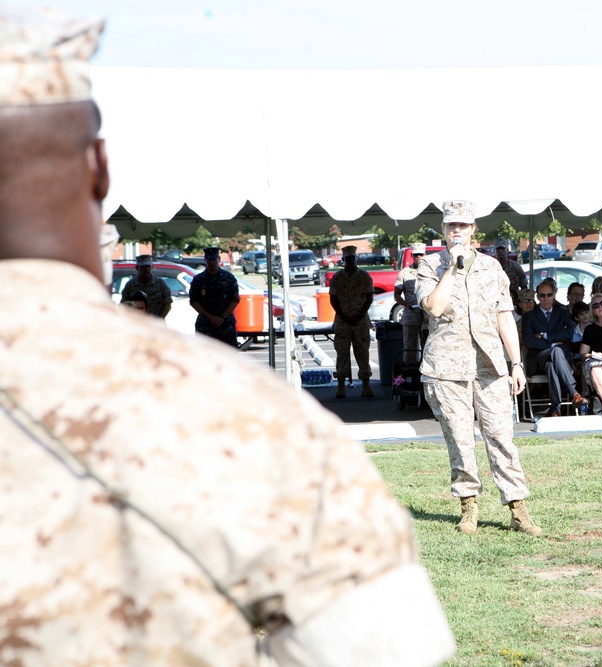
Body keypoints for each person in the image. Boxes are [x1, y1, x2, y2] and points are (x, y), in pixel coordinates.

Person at [0, 10, 455, 665]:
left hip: (284, 328)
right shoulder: (249, 420)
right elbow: (383, 651)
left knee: (355, 361)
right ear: (100, 167)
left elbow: (224, 298)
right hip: (215, 344)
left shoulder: (230, 347)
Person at [416, 199, 542, 537]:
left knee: (501, 438)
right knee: (460, 440)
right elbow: (433, 306)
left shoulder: (492, 267)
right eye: (451, 225)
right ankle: (468, 505)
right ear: (443, 230)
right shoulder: (430, 265)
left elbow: (505, 316)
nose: (457, 230)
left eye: (463, 225)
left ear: (473, 229)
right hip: (447, 368)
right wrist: (451, 270)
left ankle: (518, 508)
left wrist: (516, 363)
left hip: (490, 367)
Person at [522, 281, 586, 417]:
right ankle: (574, 392)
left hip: (558, 360)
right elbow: (528, 340)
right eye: (542, 295)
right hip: (538, 359)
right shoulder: (529, 316)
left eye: (549, 295)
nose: (546, 298)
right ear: (538, 297)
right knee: (556, 350)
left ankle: (555, 409)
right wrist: (553, 343)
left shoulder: (562, 313)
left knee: (551, 366)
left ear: (554, 295)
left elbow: (568, 334)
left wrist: (544, 336)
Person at [329, 245, 375, 398]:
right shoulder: (337, 278)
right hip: (343, 321)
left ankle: (366, 385)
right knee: (342, 353)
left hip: (360, 320)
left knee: (362, 352)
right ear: (343, 260)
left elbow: (369, 297)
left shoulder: (364, 276)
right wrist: (343, 315)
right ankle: (341, 386)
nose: (350, 261)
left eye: (353, 259)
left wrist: (360, 315)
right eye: (347, 259)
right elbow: (333, 299)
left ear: (356, 259)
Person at [189, 246, 240, 347]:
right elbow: (194, 301)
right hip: (206, 324)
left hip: (225, 324)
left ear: (219, 259)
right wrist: (211, 318)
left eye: (214, 260)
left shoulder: (228, 278)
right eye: (209, 260)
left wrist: (222, 317)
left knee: (229, 357)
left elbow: (235, 299)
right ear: (205, 260)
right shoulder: (199, 280)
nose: (212, 263)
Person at [395, 241, 426, 361]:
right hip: (411, 313)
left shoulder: (432, 271)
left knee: (428, 345)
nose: (418, 257)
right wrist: (405, 304)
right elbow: (396, 294)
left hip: (427, 315)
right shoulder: (404, 272)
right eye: (415, 254)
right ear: (412, 256)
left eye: (421, 254)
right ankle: (409, 372)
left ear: (425, 255)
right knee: (409, 346)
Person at [495, 239, 527, 308]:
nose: (501, 251)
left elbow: (524, 286)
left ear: (507, 250)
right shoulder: (491, 268)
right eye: (498, 249)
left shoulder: (515, 267)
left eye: (503, 249)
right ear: (495, 251)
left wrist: (521, 302)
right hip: (497, 304)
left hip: (514, 304)